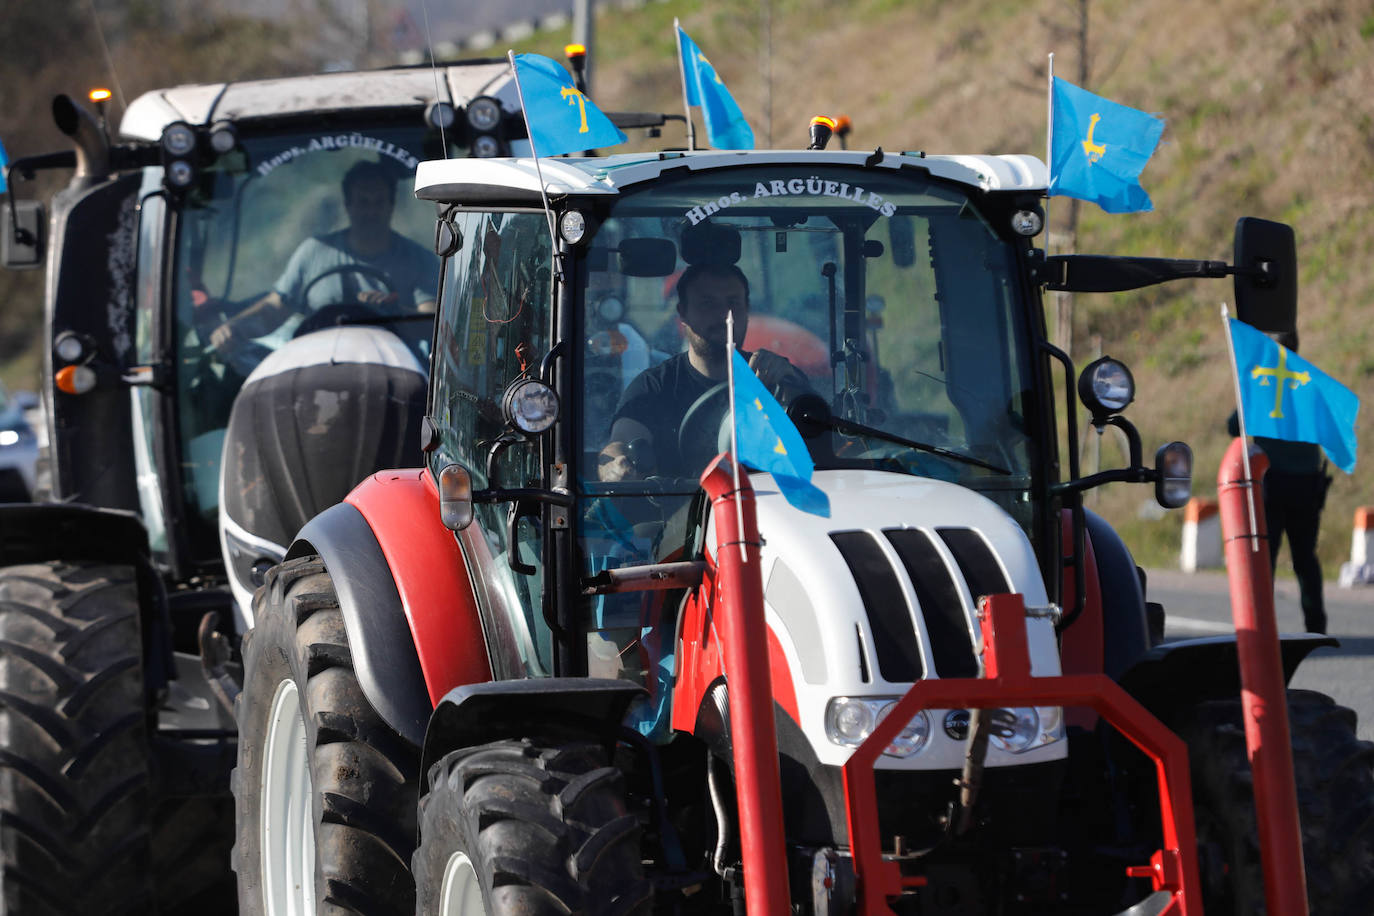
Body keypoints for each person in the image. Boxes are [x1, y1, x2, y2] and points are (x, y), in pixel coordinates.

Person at [602, 262, 809, 479]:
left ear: (746, 310)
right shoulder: (653, 387)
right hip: (679, 511)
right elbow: (620, 445)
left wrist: (792, 388)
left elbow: (820, 443)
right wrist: (614, 467)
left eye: (733, 303)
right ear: (683, 313)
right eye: (707, 303)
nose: (723, 315)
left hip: (766, 508)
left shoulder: (779, 381)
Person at [207, 160, 436, 353]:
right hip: (317, 371)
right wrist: (233, 328)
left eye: (378, 202)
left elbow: (433, 325)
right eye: (363, 202)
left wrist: (395, 313)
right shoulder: (313, 253)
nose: (370, 211)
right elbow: (275, 309)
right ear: (348, 205)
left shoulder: (418, 259)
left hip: (398, 370)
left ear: (391, 206)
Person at [1228, 330, 1332, 634]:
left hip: (1270, 485)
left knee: (1265, 559)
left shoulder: (1263, 384)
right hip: (1307, 486)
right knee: (1305, 560)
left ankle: (1261, 626)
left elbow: (1235, 426)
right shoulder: (1311, 385)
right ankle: (1316, 625)